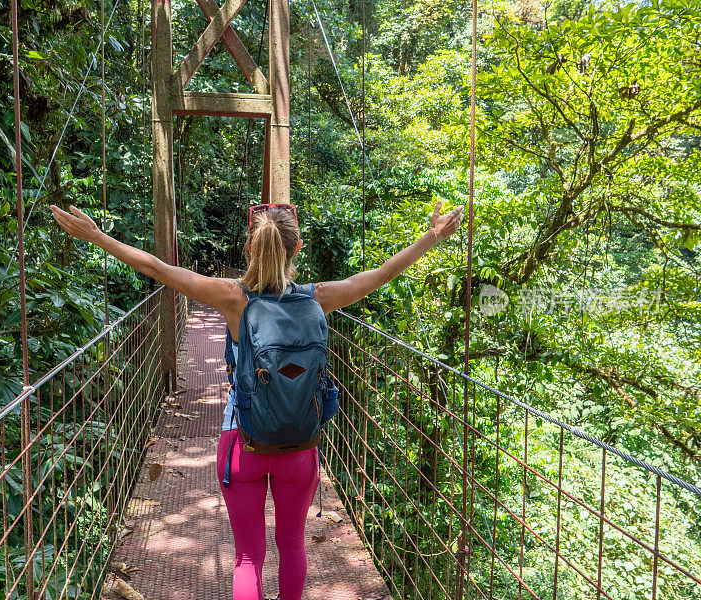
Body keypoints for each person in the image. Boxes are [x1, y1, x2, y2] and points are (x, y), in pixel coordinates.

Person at [49, 199, 465, 600]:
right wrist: (431, 236)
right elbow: (380, 274)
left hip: (241, 443)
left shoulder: (233, 298)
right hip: (300, 449)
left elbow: (158, 268)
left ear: (249, 246)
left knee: (248, 558)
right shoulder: (320, 298)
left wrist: (98, 237)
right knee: (292, 543)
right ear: (297, 248)